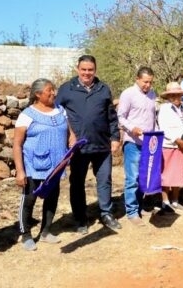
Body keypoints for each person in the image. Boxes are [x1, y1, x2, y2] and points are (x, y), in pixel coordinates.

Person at [56, 55, 121, 234]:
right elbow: (57, 114)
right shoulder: (66, 89)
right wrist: (66, 137)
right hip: (78, 147)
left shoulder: (103, 89)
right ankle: (80, 218)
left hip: (102, 145)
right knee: (77, 182)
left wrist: (115, 138)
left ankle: (106, 213)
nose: (87, 73)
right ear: (77, 69)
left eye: (90, 70)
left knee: (105, 180)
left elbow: (111, 116)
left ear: (95, 70)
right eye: (83, 69)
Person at [13, 79, 68, 250]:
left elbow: (69, 132)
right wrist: (20, 171)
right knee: (29, 199)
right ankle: (26, 235)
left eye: (53, 89)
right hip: (33, 165)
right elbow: (17, 144)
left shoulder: (60, 110)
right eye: (49, 90)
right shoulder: (27, 115)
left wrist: (73, 141)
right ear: (38, 94)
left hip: (56, 165)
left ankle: (46, 231)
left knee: (52, 197)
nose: (54, 93)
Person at [117, 67, 158, 226]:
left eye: (150, 82)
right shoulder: (128, 94)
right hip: (133, 142)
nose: (148, 85)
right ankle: (132, 212)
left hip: (148, 143)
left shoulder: (152, 94)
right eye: (145, 82)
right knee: (132, 178)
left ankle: (139, 207)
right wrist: (131, 128)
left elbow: (153, 118)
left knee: (143, 177)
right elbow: (121, 117)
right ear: (137, 79)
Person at [157, 82, 183, 212]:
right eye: (172, 95)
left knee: (179, 173)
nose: (176, 97)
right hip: (169, 145)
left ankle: (175, 201)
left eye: (178, 94)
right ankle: (165, 202)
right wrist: (177, 141)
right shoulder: (164, 109)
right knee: (166, 174)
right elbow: (163, 127)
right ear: (168, 96)